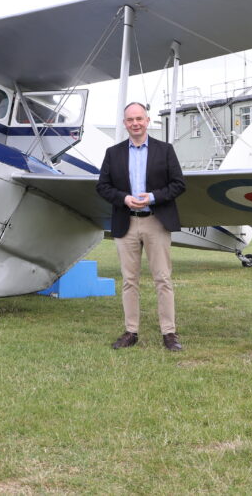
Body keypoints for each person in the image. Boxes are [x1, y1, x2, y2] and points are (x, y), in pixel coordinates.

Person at [96, 102, 186, 351]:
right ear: (125, 123)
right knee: (129, 280)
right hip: (126, 223)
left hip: (156, 221)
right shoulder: (113, 153)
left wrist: (153, 197)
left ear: (147, 121)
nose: (135, 123)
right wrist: (124, 198)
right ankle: (131, 332)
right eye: (130, 120)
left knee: (163, 279)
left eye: (139, 119)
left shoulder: (165, 150)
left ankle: (169, 334)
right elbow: (102, 186)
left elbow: (179, 184)